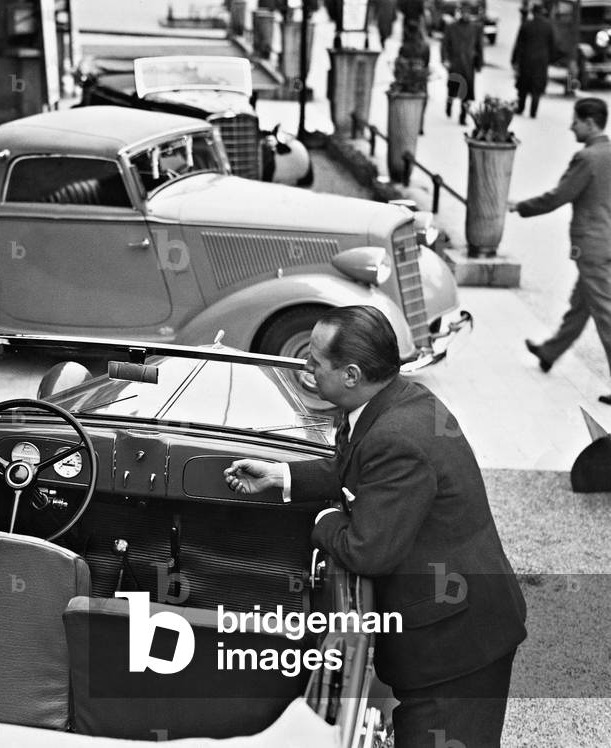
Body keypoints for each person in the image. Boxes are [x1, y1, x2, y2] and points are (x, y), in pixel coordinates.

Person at [223, 306, 526, 747]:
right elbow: (355, 470)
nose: (304, 369)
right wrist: (283, 476)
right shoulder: (393, 401)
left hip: (457, 647)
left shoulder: (397, 436)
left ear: (350, 374)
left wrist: (324, 520)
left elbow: (368, 550)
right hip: (450, 627)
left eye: (314, 362)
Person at [509, 98, 611, 402]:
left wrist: (521, 206)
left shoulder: (588, 158)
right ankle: (550, 351)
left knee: (606, 315)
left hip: (591, 246)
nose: (571, 126)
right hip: (606, 241)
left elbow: (559, 195)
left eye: (576, 121)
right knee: (582, 305)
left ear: (590, 123)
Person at [441, 2, 484, 125]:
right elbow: (445, 44)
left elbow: (479, 46)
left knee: (467, 92)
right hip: (455, 63)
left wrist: (479, 63)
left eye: (467, 12)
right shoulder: (452, 27)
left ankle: (463, 116)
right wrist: (445, 59)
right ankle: (449, 103)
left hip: (468, 65)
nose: (465, 15)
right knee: (453, 88)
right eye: (463, 12)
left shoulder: (475, 28)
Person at [511, 3, 557, 118]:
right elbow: (552, 45)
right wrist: (550, 59)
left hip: (526, 60)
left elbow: (519, 44)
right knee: (537, 87)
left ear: (533, 13)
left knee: (523, 86)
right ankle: (533, 111)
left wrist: (514, 59)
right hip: (541, 62)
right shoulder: (548, 27)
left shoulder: (526, 25)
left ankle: (521, 107)